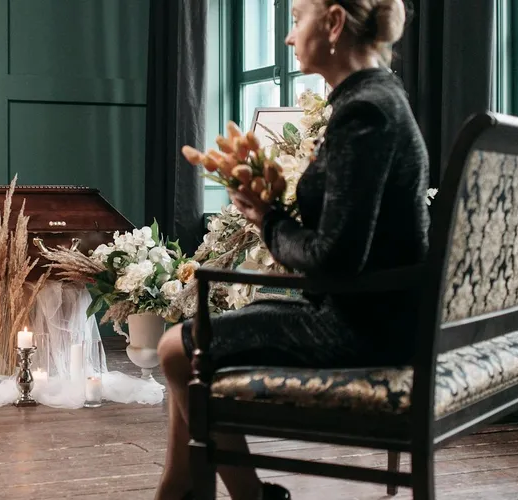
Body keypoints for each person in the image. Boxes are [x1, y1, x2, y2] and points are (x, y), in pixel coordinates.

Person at [155, 0, 429, 499]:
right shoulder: (377, 98)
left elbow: (333, 259)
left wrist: (266, 219)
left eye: (295, 19)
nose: (287, 37)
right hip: (380, 313)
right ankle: (186, 490)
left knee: (176, 348)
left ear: (334, 23)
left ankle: (232, 495)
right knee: (191, 344)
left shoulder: (364, 112)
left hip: (363, 329)